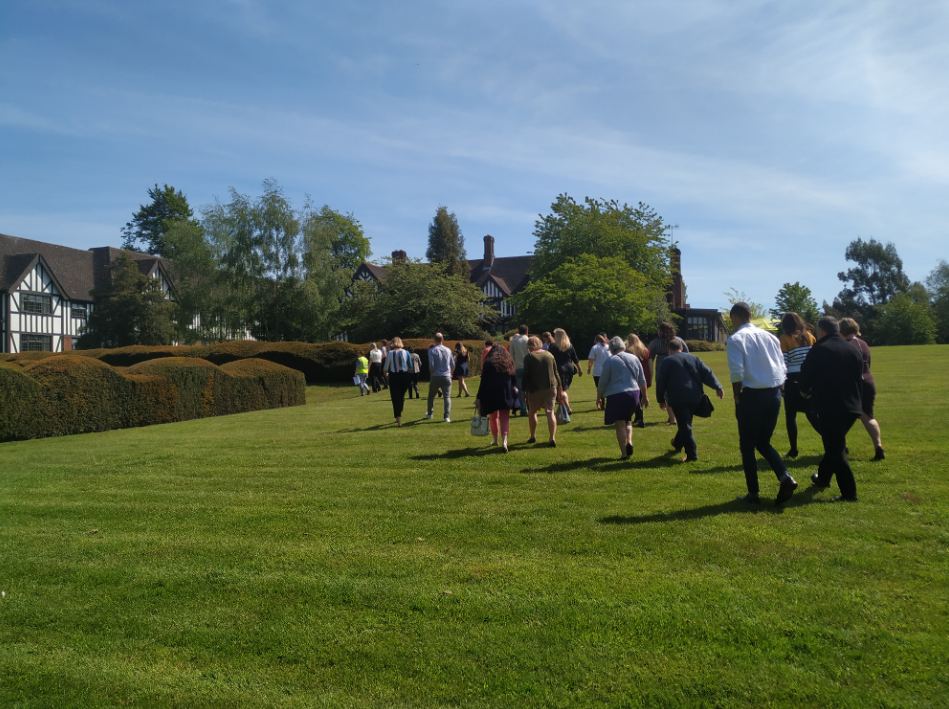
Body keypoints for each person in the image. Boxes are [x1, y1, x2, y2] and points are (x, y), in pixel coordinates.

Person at [727, 302, 798, 505]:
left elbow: (737, 372)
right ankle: (785, 477)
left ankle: (754, 493)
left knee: (747, 446)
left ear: (735, 318)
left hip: (752, 396)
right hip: (774, 394)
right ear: (750, 315)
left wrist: (737, 395)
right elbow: (781, 366)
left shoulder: (735, 339)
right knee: (763, 442)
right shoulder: (770, 337)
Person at [800, 316, 864, 502]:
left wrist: (804, 392)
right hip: (853, 406)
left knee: (836, 450)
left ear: (821, 331)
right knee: (833, 444)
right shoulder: (853, 349)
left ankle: (849, 493)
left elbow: (806, 375)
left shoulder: (819, 349)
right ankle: (823, 479)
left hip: (830, 406)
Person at [655, 338, 724, 462]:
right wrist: (717, 386)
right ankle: (677, 443)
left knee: (685, 425)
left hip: (678, 397)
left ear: (670, 350)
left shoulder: (667, 361)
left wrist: (660, 398)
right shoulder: (694, 358)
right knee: (685, 422)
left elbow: (661, 382)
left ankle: (692, 456)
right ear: (681, 348)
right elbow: (707, 373)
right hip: (695, 396)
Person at [839, 318, 885, 461]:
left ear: (842, 331)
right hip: (869, 381)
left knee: (841, 415)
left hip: (853, 383)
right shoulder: (864, 344)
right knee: (868, 416)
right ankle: (878, 446)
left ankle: (841, 446)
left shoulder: (845, 346)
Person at [596, 337, 648, 461]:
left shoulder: (610, 361)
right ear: (623, 347)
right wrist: (645, 397)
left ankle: (624, 454)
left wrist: (599, 397)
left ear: (611, 349)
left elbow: (602, 382)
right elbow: (642, 380)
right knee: (628, 421)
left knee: (619, 424)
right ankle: (629, 440)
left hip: (616, 394)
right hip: (634, 393)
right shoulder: (634, 358)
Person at [779, 312, 817, 458]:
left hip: (793, 379)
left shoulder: (785, 339)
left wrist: (781, 386)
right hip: (810, 378)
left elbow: (784, 363)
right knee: (812, 413)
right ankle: (833, 442)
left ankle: (793, 449)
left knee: (790, 416)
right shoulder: (810, 336)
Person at [475, 343, 519, 453]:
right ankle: (505, 442)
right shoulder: (508, 361)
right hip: (506, 392)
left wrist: (479, 397)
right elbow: (513, 377)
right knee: (505, 418)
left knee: (493, 417)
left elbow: (483, 380)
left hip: (491, 392)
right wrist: (514, 387)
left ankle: (495, 440)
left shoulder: (488, 362)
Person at [522, 336, 563, 447]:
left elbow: (525, 376)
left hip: (535, 389)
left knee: (532, 412)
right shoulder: (549, 355)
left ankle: (533, 436)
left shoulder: (529, 357)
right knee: (550, 412)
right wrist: (560, 388)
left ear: (529, 347)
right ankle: (552, 438)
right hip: (551, 387)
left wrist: (522, 391)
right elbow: (556, 373)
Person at [649, 323, 689, 425]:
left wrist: (650, 372)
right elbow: (687, 353)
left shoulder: (656, 342)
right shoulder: (678, 340)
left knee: (666, 393)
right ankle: (675, 416)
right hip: (677, 365)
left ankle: (672, 419)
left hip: (662, 365)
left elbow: (650, 356)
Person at [547, 328, 581, 414]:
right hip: (569, 369)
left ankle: (567, 408)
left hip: (558, 369)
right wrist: (580, 369)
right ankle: (564, 409)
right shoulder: (569, 345)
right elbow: (575, 358)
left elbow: (549, 359)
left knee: (561, 390)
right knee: (563, 389)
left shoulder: (553, 346)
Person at [383, 337, 413, 427]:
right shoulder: (406, 352)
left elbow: (385, 368)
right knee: (401, 397)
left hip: (394, 376)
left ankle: (399, 419)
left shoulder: (390, 353)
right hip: (404, 376)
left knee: (395, 398)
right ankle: (398, 414)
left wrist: (386, 374)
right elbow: (410, 367)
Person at [426, 333, 455, 422]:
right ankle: (447, 416)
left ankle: (430, 413)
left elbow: (431, 365)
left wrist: (431, 373)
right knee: (447, 397)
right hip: (446, 375)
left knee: (431, 396)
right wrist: (451, 373)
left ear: (434, 340)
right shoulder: (448, 350)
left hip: (435, 375)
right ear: (442, 339)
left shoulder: (431, 351)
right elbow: (452, 365)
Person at [626, 333, 652, 427]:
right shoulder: (646, 351)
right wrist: (650, 377)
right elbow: (650, 365)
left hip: (634, 376)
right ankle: (638, 416)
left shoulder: (628, 351)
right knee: (641, 397)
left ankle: (640, 418)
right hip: (645, 374)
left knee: (636, 397)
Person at [509, 325, 530, 417]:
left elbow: (511, 356)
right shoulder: (529, 340)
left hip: (518, 367)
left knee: (520, 390)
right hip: (529, 368)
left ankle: (523, 409)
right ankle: (531, 407)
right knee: (529, 389)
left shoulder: (513, 341)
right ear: (527, 332)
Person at [586, 334, 611, 409]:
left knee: (600, 389)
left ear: (596, 340)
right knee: (608, 388)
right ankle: (609, 404)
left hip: (598, 371)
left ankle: (602, 404)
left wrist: (589, 369)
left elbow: (591, 360)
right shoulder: (608, 347)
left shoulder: (595, 347)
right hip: (608, 370)